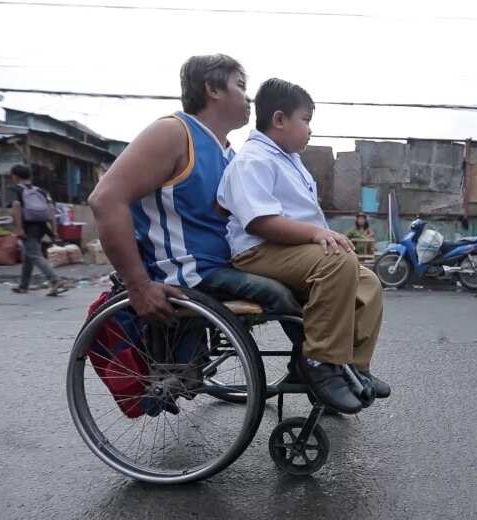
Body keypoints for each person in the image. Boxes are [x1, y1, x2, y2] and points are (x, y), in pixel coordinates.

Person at [217, 78, 389, 414]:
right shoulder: (253, 160)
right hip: (259, 250)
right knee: (337, 263)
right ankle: (320, 364)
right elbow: (259, 222)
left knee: (367, 280)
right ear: (279, 120)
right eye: (306, 121)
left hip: (286, 250)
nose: (310, 130)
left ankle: (354, 366)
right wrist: (314, 235)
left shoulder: (288, 158)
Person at [88, 54, 300, 324]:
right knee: (279, 294)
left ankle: (328, 361)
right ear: (212, 89)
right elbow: (105, 200)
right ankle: (315, 365)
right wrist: (138, 285)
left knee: (308, 279)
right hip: (189, 271)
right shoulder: (174, 133)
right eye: (241, 86)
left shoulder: (232, 156)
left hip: (223, 266)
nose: (249, 98)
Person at [8, 165, 68, 296]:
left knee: (34, 255)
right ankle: (23, 286)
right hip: (42, 227)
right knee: (29, 254)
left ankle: (55, 280)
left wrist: (19, 228)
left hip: (28, 226)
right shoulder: (41, 191)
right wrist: (54, 230)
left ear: (15, 176)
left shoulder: (15, 190)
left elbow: (16, 206)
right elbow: (51, 209)